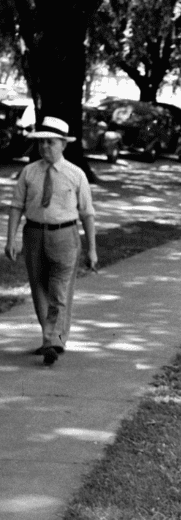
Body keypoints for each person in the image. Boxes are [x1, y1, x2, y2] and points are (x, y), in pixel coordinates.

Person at [4, 116, 97, 366]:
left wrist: (92, 249)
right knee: (39, 289)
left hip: (65, 236)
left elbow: (87, 213)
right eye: (42, 142)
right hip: (33, 234)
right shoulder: (29, 172)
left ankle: (52, 341)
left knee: (59, 289)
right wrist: (10, 239)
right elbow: (15, 207)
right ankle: (53, 339)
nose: (45, 147)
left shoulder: (76, 175)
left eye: (51, 142)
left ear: (63, 145)